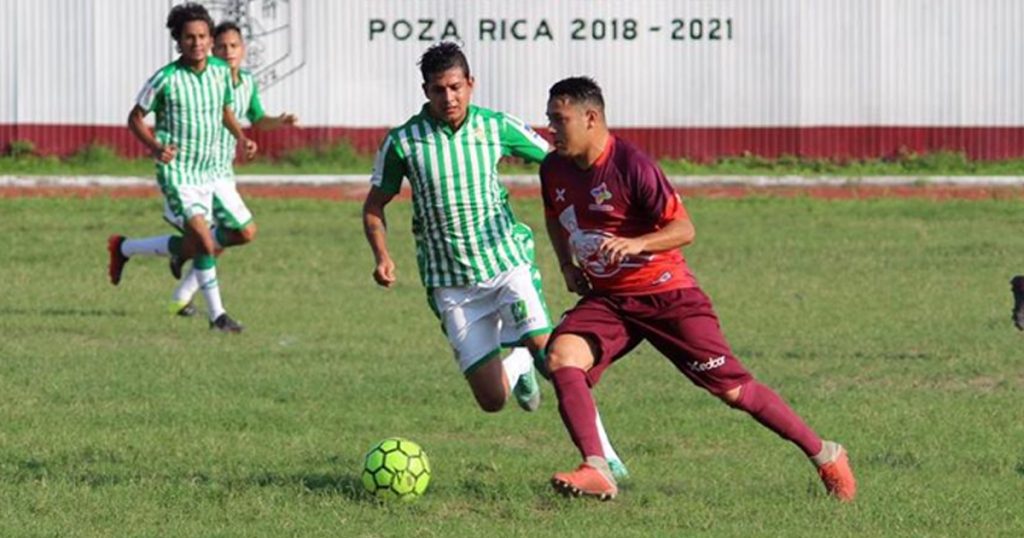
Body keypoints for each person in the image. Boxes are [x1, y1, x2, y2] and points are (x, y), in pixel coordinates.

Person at [539, 76, 856, 501]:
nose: (551, 130)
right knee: (562, 356)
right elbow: (553, 215)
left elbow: (684, 228)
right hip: (611, 300)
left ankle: (826, 453)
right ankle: (596, 466)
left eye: (559, 120)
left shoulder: (632, 165)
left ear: (591, 118)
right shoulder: (553, 167)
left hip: (667, 296)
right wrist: (566, 264)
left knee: (733, 390)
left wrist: (637, 243)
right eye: (549, 121)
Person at [361, 43, 628, 477]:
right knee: (491, 400)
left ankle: (604, 456)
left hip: (507, 263)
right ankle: (518, 361)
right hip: (451, 284)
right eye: (437, 90)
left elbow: (561, 156)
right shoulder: (403, 142)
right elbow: (374, 206)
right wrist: (382, 256)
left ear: (471, 84)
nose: (448, 98)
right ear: (424, 91)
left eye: (455, 87)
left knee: (553, 357)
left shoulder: (494, 126)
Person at [107, 2, 256, 333]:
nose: (197, 43)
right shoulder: (166, 79)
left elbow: (225, 110)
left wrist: (242, 137)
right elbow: (134, 119)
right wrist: (156, 147)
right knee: (204, 241)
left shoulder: (219, 71)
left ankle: (125, 247)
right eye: (189, 37)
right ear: (178, 41)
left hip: (214, 171)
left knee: (245, 233)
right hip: (180, 174)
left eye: (203, 36)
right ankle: (218, 316)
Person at [167, 20, 299, 318]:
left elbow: (256, 117)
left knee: (238, 233)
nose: (228, 51)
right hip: (193, 172)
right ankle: (209, 311)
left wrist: (278, 122)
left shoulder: (247, 82)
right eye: (222, 46)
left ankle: (172, 269)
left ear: (243, 50)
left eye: (234, 46)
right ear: (211, 48)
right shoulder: (203, 78)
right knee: (208, 238)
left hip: (222, 173)